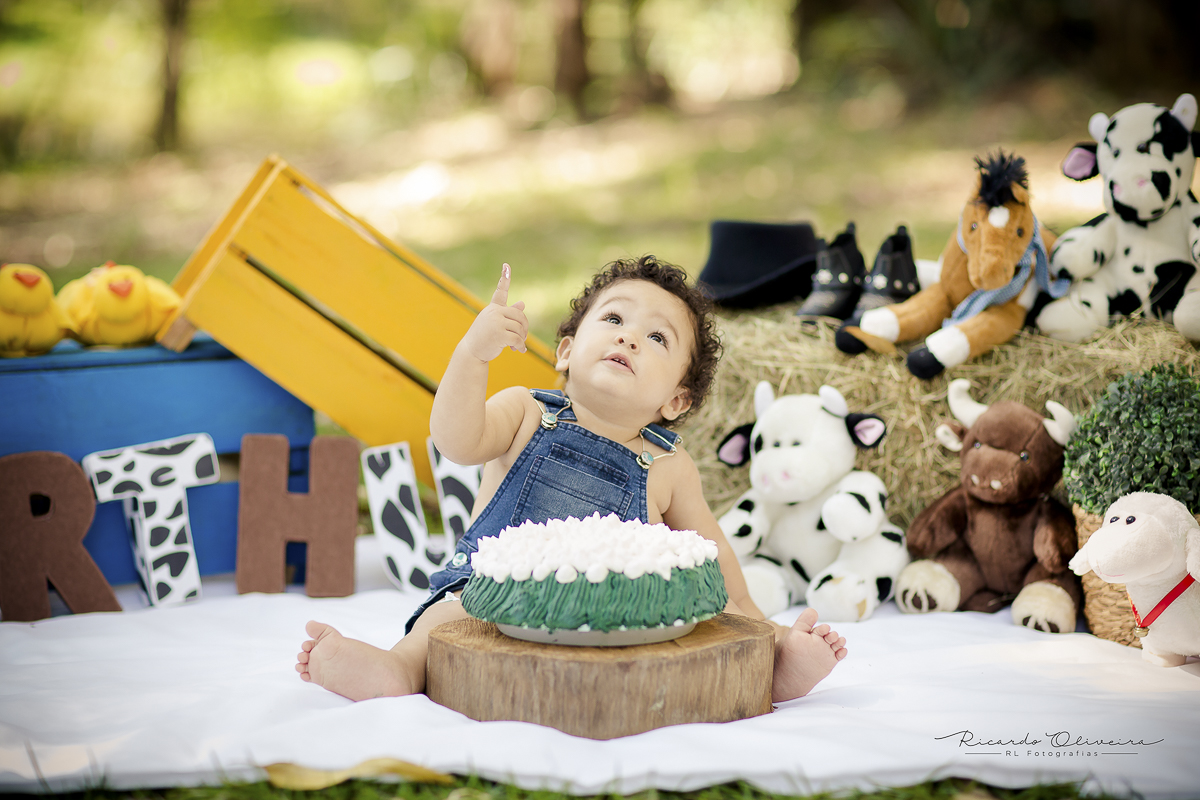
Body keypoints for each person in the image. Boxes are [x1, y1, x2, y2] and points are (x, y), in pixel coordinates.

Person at [296, 256, 848, 703]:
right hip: (494, 594)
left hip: (619, 613)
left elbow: (711, 554)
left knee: (697, 620)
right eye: (614, 320)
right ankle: (395, 668)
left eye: (657, 338)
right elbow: (456, 440)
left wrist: (758, 624)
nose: (629, 337)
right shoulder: (526, 412)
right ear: (565, 352)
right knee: (445, 622)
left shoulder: (667, 465)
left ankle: (770, 665)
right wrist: (474, 354)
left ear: (676, 399)